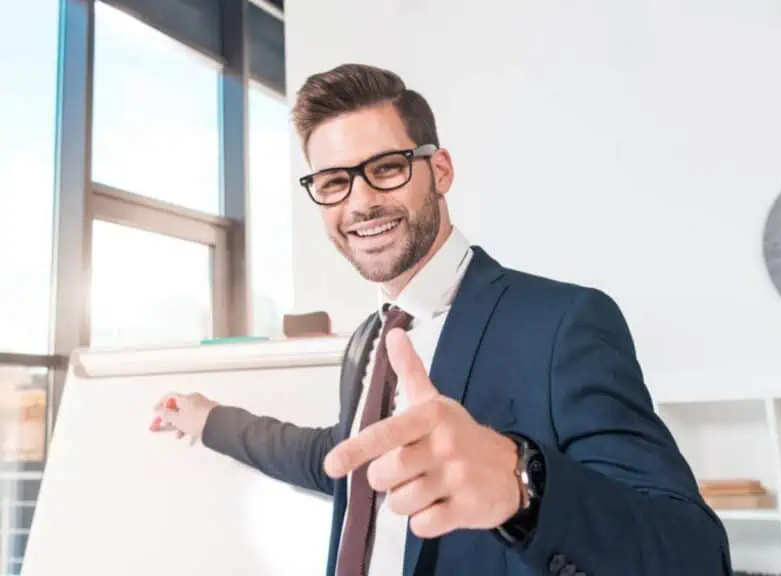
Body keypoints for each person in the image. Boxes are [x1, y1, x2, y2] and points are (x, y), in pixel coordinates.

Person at [152, 63, 732, 576]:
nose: (358, 204)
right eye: (333, 182)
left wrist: (520, 484)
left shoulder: (562, 323)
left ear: (441, 170)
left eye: (386, 168)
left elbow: (691, 553)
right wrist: (210, 421)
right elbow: (337, 459)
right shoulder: (368, 340)